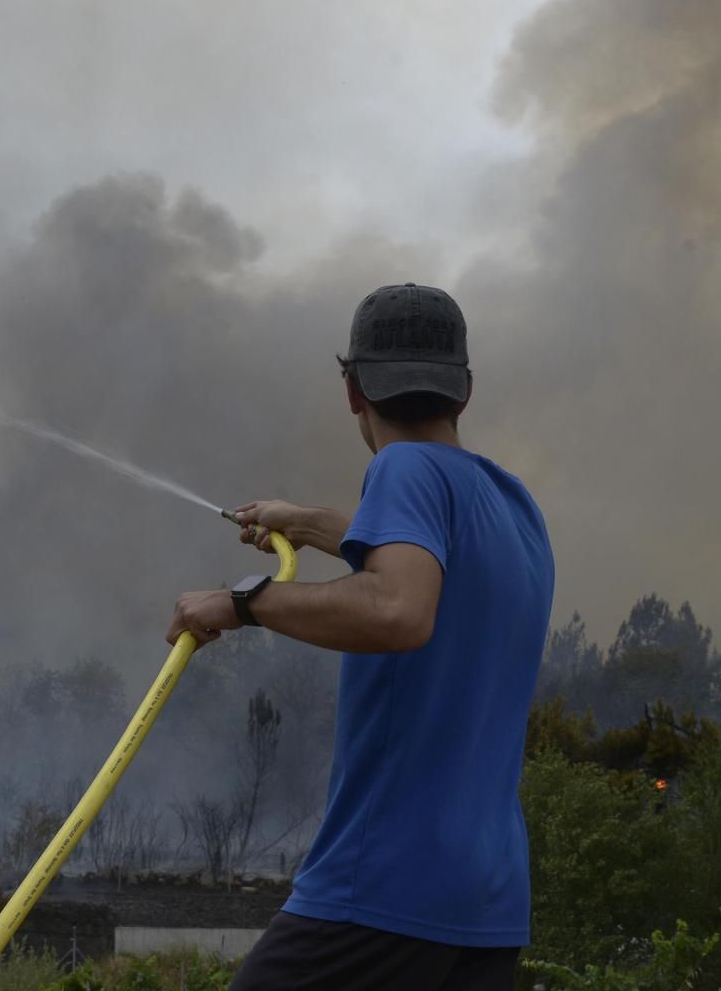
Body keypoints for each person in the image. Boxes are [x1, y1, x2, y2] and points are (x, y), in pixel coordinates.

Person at [167, 283, 556, 990]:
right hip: (486, 906)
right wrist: (306, 522)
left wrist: (241, 602)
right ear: (464, 393)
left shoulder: (401, 468)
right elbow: (425, 560)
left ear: (353, 391)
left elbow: (399, 607)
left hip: (383, 885)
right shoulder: (512, 505)